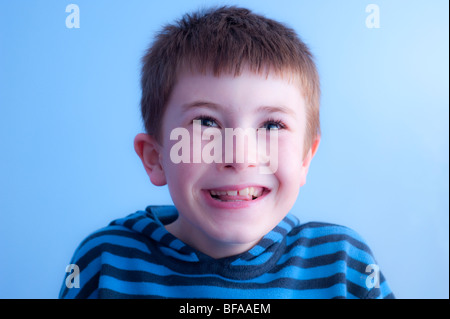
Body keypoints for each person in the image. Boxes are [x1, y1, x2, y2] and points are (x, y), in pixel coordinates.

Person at [60, 6, 394, 299]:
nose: (240, 156)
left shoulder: (344, 265)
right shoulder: (104, 264)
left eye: (273, 125)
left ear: (306, 157)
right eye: (206, 122)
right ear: (155, 158)